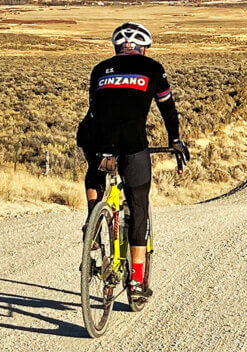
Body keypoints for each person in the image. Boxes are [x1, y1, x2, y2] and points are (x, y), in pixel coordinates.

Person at [76, 22, 190, 298]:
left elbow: (96, 108)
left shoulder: (100, 69)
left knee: (95, 167)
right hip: (132, 144)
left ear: (117, 48)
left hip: (94, 140)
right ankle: (137, 283)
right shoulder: (153, 69)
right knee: (139, 208)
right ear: (144, 49)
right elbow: (167, 108)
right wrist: (174, 140)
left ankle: (93, 214)